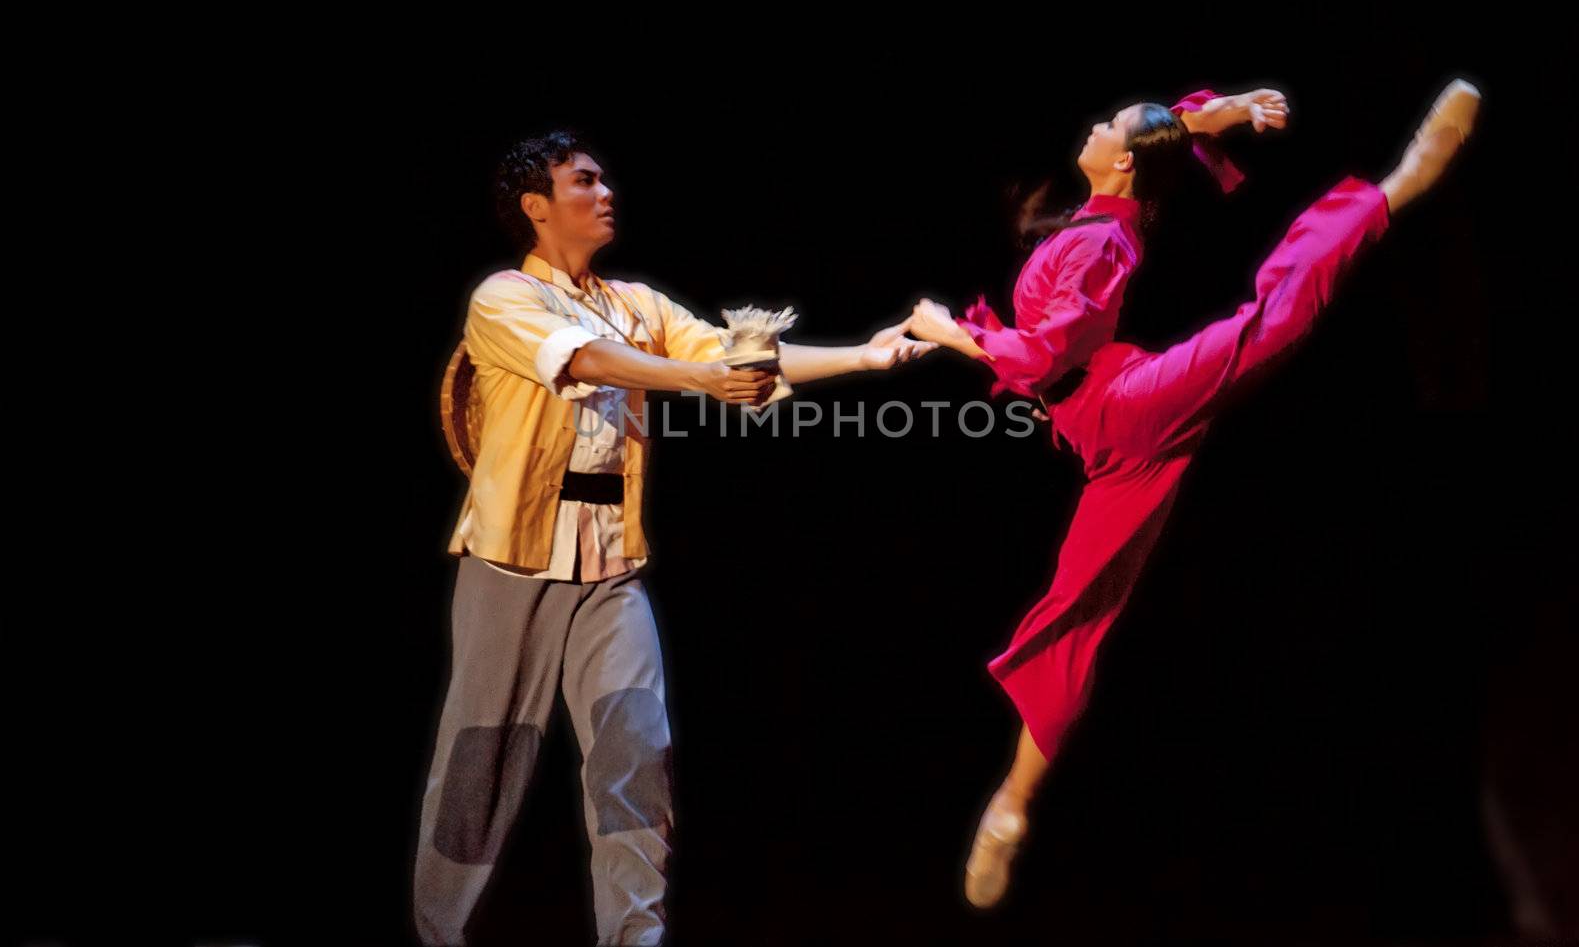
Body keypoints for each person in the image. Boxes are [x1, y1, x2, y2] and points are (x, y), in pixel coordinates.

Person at [905, 80, 1481, 908]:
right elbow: (1163, 131)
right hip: (1103, 438)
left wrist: (949, 331)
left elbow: (1038, 358)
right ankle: (1011, 806)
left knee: (1268, 321)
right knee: (1076, 607)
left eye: (1108, 125)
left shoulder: (1107, 244)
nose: (1093, 124)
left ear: (1126, 163)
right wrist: (1235, 109)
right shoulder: (1108, 211)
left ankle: (1401, 184)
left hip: (1126, 402)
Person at [414, 131, 933, 945]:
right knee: (484, 757)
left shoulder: (636, 303)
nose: (605, 190)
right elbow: (585, 359)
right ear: (536, 205)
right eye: (583, 180)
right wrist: (698, 378)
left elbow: (738, 358)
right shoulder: (504, 297)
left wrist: (863, 359)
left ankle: (634, 937)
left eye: (604, 177)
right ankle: (439, 932)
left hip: (612, 562)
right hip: (513, 560)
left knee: (636, 750)